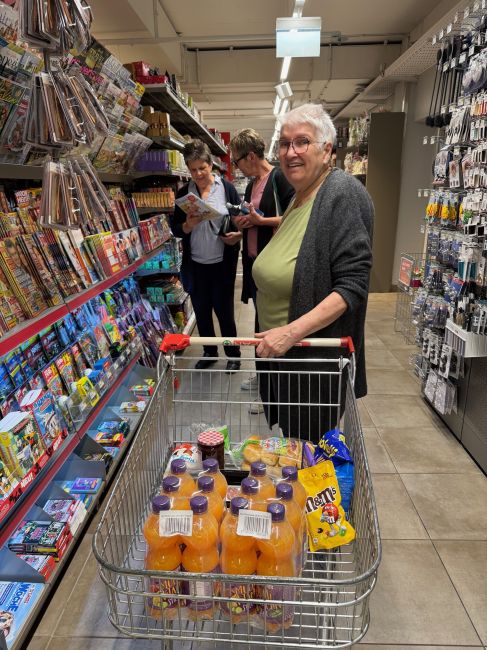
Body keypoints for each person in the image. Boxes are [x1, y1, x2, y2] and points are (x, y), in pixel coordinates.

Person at [251, 103, 374, 443]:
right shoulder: (301, 195)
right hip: (286, 359)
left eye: (302, 141)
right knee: (296, 446)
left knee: (309, 453)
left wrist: (290, 333)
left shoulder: (342, 194)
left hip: (313, 364)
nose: (290, 152)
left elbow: (352, 286)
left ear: (327, 149)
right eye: (284, 143)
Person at [229, 129, 294, 410]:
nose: (236, 167)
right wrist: (243, 225)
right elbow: (254, 217)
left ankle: (272, 393)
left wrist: (261, 222)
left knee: (271, 328)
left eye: (237, 161)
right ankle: (264, 381)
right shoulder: (251, 184)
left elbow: (294, 219)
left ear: (251, 156)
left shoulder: (279, 178)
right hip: (255, 265)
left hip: (275, 268)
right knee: (260, 326)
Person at [171, 139, 242, 371]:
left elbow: (240, 220)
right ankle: (210, 352)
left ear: (211, 164)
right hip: (196, 265)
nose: (198, 174)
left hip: (221, 263)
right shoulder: (184, 193)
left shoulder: (227, 189)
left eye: (202, 167)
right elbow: (175, 228)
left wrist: (238, 235)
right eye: (193, 170)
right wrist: (188, 226)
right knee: (202, 312)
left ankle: (233, 355)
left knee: (225, 313)